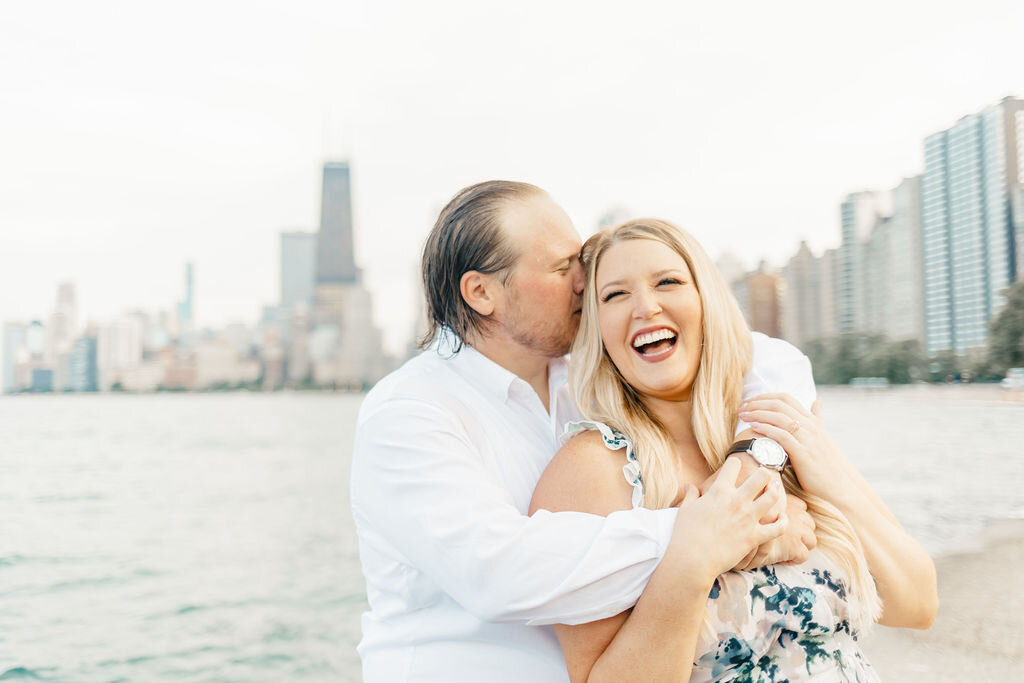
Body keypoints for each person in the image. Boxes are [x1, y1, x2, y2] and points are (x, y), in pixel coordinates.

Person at [351, 181, 819, 682]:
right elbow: (497, 574)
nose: (584, 281)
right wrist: (712, 530)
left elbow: (768, 357)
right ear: (482, 293)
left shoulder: (584, 378)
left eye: (580, 260)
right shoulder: (410, 412)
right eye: (561, 267)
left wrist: (751, 470)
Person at [530, 218, 938, 681]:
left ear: (708, 302)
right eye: (615, 295)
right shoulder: (592, 470)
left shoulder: (775, 429)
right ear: (597, 330)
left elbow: (917, 604)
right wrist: (696, 557)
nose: (645, 307)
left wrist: (834, 481)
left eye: (668, 282)